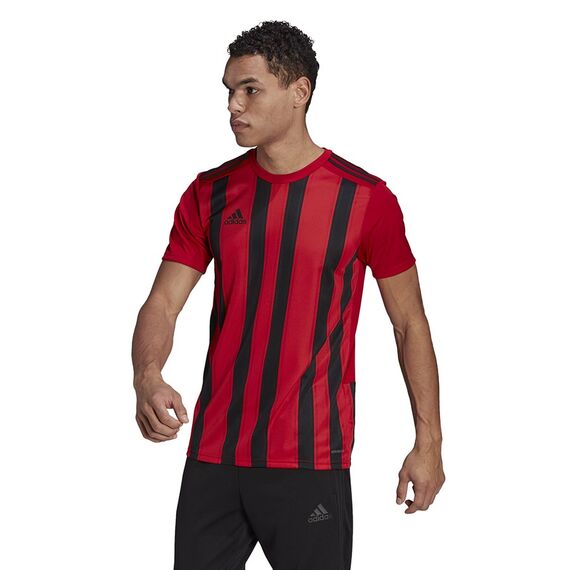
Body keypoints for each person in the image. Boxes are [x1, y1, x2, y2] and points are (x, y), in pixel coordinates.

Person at [132, 20, 445, 570]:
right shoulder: (209, 193)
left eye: (250, 89)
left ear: (300, 92)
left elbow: (409, 324)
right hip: (213, 456)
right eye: (230, 90)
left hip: (309, 460)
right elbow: (162, 303)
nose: (234, 104)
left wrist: (429, 444)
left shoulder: (365, 199)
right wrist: (147, 376)